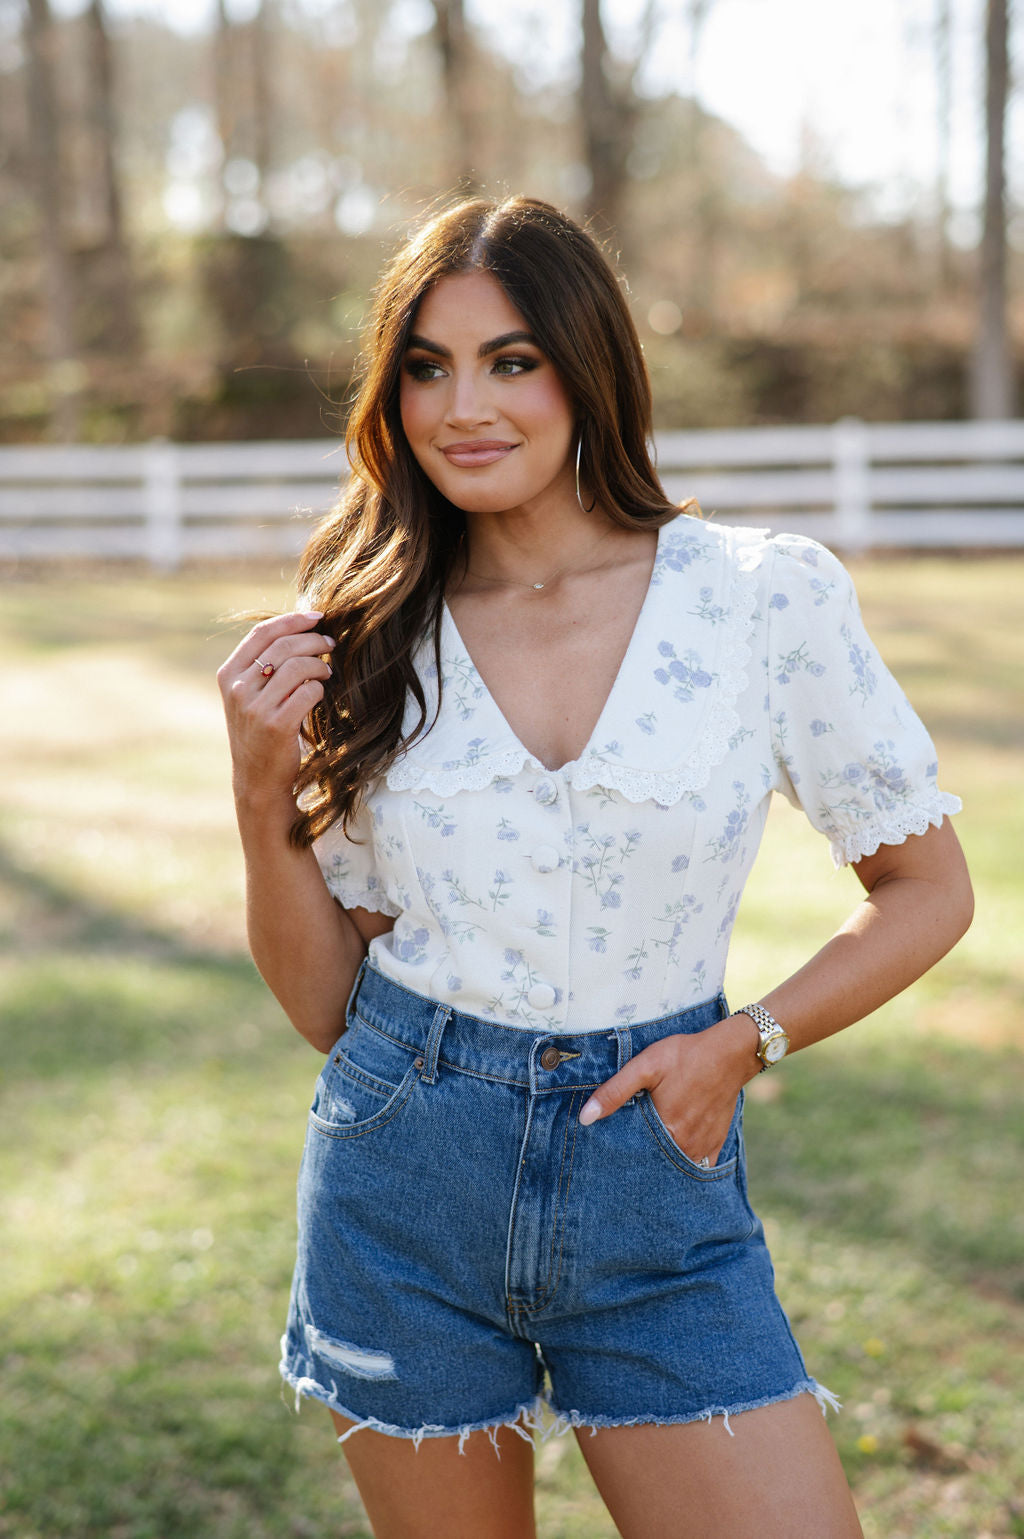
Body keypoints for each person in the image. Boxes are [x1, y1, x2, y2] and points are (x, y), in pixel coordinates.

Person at [217, 195, 972, 1539]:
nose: (465, 407)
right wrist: (260, 794)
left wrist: (748, 1041)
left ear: (589, 368)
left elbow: (928, 888)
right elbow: (328, 1011)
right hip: (404, 1177)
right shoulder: (371, 629)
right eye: (427, 367)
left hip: (655, 1177)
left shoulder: (757, 596)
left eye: (513, 360)